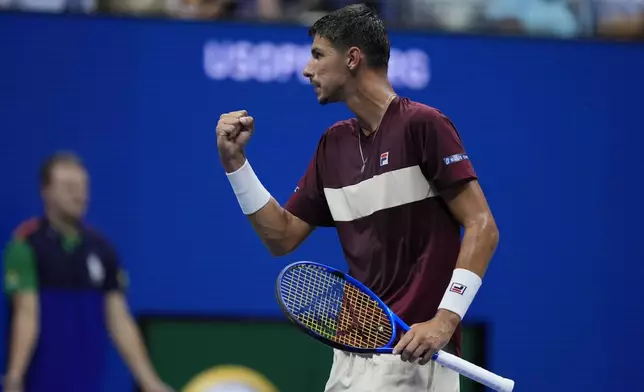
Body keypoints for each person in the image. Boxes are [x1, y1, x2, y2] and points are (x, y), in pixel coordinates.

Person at [216, 4, 499, 392]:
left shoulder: (423, 125)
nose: (306, 69)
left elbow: (482, 226)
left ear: (352, 58)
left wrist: (445, 319)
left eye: (318, 55)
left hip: (410, 357)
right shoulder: (334, 144)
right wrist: (235, 164)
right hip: (351, 354)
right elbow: (280, 236)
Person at [2, 152, 172, 392]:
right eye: (69, 186)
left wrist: (149, 380)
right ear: (46, 191)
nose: (79, 194)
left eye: (83, 186)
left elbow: (118, 318)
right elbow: (27, 315)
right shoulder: (26, 246)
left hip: (88, 382)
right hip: (40, 382)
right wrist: (15, 377)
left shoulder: (102, 249)